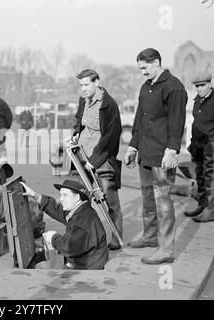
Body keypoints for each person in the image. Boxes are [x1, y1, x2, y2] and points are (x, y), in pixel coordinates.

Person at [124, 48, 188, 264]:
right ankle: (150, 236)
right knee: (147, 196)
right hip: (145, 152)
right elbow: (139, 119)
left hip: (162, 154)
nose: (142, 72)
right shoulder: (145, 87)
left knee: (163, 200)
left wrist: (172, 150)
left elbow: (177, 122)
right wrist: (133, 147)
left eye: (145, 67)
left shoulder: (174, 87)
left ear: (157, 62)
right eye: (140, 68)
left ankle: (166, 249)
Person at [71, 69, 123, 250]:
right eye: (81, 85)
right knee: (83, 200)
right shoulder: (83, 100)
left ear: (96, 82)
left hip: (102, 159)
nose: (83, 89)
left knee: (110, 200)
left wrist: (95, 160)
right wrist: (75, 134)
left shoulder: (109, 104)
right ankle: (86, 238)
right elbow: (79, 120)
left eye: (86, 85)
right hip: (82, 158)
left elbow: (112, 135)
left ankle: (116, 238)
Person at [20, 179, 109, 270]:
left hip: (86, 269)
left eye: (65, 195)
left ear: (77, 197)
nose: (61, 199)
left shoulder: (82, 221)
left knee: (41, 268)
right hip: (84, 259)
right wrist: (34, 195)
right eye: (61, 195)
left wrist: (53, 237)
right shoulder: (81, 210)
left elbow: (68, 247)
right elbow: (56, 210)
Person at [184, 72, 214, 223]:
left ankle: (211, 210)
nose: (199, 89)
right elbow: (196, 122)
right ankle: (202, 205)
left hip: (211, 143)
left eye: (202, 85)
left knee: (211, 177)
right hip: (198, 143)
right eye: (197, 86)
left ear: (210, 84)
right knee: (200, 175)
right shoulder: (197, 100)